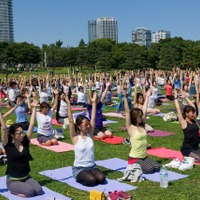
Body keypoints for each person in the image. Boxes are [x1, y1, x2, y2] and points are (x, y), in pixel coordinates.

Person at [0, 99, 43, 197]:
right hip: (13, 180)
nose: (22, 134)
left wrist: (34, 108)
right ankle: (13, 190)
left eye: (22, 132)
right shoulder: (8, 145)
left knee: (39, 190)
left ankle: (24, 186)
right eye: (19, 133)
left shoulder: (25, 142)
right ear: (12, 135)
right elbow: (3, 127)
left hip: (26, 177)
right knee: (30, 192)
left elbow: (31, 124)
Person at [66, 92, 106, 186]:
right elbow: (71, 121)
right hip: (79, 168)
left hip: (92, 166)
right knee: (92, 181)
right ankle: (78, 177)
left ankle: (90, 174)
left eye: (88, 124)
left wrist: (94, 103)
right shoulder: (75, 137)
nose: (88, 126)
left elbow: (93, 117)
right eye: (85, 125)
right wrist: (68, 103)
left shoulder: (90, 135)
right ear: (79, 126)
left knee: (101, 179)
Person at [124, 89, 160, 174]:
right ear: (134, 117)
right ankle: (132, 166)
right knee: (149, 169)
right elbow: (127, 111)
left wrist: (147, 97)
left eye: (141, 116)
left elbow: (144, 111)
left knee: (157, 167)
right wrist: (125, 97)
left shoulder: (142, 125)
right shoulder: (130, 127)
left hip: (144, 156)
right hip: (134, 157)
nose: (141, 118)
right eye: (139, 116)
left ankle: (141, 164)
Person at [174, 90, 200, 161]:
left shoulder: (193, 120)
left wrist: (185, 98)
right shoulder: (183, 123)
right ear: (186, 113)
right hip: (187, 149)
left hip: (196, 147)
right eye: (192, 113)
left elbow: (193, 106)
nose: (194, 114)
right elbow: (178, 109)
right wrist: (175, 97)